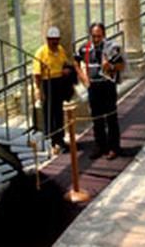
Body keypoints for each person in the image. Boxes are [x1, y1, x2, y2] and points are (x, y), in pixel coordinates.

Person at [33, 26, 82, 154]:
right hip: (47, 83)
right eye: (52, 40)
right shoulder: (41, 53)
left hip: (58, 82)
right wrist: (39, 90)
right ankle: (51, 142)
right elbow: (37, 74)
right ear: (47, 39)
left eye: (56, 40)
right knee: (49, 114)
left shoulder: (60, 50)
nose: (54, 43)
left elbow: (64, 63)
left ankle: (60, 139)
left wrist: (66, 72)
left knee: (58, 113)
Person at [79, 22, 125, 160]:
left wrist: (110, 65)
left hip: (107, 86)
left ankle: (113, 147)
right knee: (96, 117)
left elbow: (121, 65)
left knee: (111, 117)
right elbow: (75, 61)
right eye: (94, 36)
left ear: (104, 35)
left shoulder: (112, 47)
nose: (96, 39)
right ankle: (100, 145)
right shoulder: (84, 49)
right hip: (93, 87)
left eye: (99, 36)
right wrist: (83, 78)